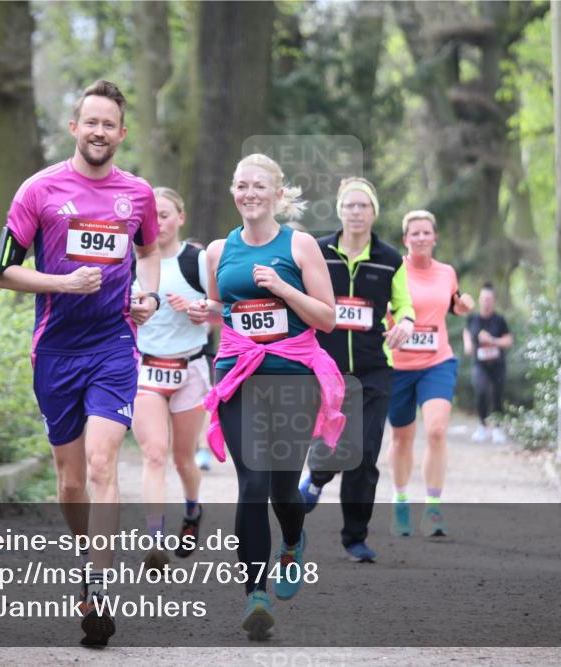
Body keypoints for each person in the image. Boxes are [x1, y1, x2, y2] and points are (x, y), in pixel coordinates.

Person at [0, 79, 159, 647]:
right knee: (69, 484)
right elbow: (4, 271)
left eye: (109, 124)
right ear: (74, 127)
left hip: (113, 345)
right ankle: (89, 551)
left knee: (102, 462)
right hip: (56, 351)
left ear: (121, 133)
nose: (99, 132)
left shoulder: (137, 194)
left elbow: (149, 249)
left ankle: (97, 582)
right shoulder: (38, 190)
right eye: (91, 122)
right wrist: (62, 283)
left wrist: (150, 296)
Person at [186, 153, 343, 640]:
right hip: (238, 375)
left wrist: (283, 289)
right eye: (240, 185)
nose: (248, 193)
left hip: (294, 378)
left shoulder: (299, 246)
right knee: (252, 484)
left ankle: (293, 541)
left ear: (278, 193)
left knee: (281, 489)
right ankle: (255, 594)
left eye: (258, 186)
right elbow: (223, 305)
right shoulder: (217, 250)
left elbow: (328, 317)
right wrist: (201, 309)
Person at [298, 177, 416, 563]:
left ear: (373, 212)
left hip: (373, 369)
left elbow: (405, 306)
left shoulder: (389, 259)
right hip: (326, 367)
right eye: (349, 205)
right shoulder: (318, 252)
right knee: (334, 448)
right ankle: (316, 477)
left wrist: (407, 325)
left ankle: (355, 538)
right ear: (339, 210)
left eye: (363, 206)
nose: (356, 212)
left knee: (364, 454)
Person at [131, 188, 211, 568]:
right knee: (154, 454)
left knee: (183, 459)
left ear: (180, 217)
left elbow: (225, 311)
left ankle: (193, 510)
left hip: (190, 369)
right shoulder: (131, 263)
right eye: (150, 215)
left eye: (164, 214)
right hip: (146, 368)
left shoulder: (197, 261)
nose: (157, 222)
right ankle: (155, 537)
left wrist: (200, 310)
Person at [386, 210, 474, 538]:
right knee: (402, 438)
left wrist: (465, 304)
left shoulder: (447, 272)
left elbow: (456, 302)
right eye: (415, 233)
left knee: (436, 430)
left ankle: (433, 508)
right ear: (405, 240)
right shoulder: (394, 271)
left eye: (427, 232)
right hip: (398, 366)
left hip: (437, 362)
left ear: (435, 237)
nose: (421, 238)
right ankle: (400, 501)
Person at [463, 282, 513, 444]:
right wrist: (468, 344)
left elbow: (508, 340)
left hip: (497, 364)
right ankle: (482, 426)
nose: (486, 301)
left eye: (489, 299)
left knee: (497, 395)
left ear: (494, 301)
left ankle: (497, 428)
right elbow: (467, 331)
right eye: (484, 298)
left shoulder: (499, 320)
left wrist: (493, 340)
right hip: (480, 365)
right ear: (479, 300)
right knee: (481, 390)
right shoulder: (473, 319)